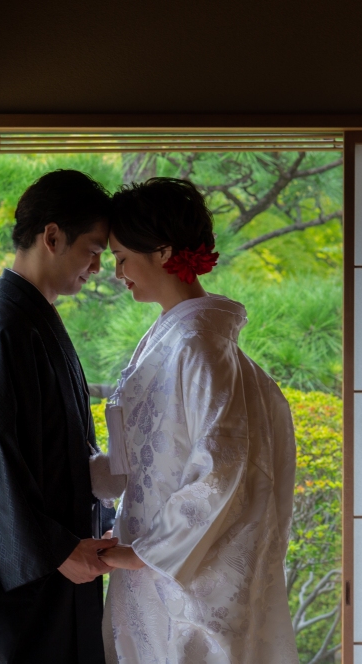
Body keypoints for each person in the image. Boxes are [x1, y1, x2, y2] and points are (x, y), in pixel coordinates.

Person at [90, 178, 300, 664]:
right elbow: (139, 461)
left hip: (181, 573)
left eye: (122, 257)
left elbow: (223, 468)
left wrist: (143, 552)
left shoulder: (200, 346)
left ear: (163, 253)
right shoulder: (179, 338)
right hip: (153, 559)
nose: (117, 272)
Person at [0, 170, 119, 663]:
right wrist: (54, 550)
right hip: (21, 582)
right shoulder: (5, 328)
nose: (98, 268)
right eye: (93, 251)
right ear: (52, 237)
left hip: (52, 568)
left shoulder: (33, 321)